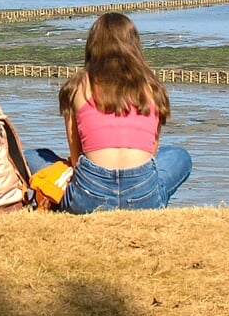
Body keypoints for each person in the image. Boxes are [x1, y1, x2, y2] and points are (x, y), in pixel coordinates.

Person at [57, 11, 192, 212]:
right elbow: (151, 152)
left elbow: (76, 156)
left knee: (35, 157)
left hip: (90, 196)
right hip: (142, 194)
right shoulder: (151, 87)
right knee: (180, 157)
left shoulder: (78, 85)